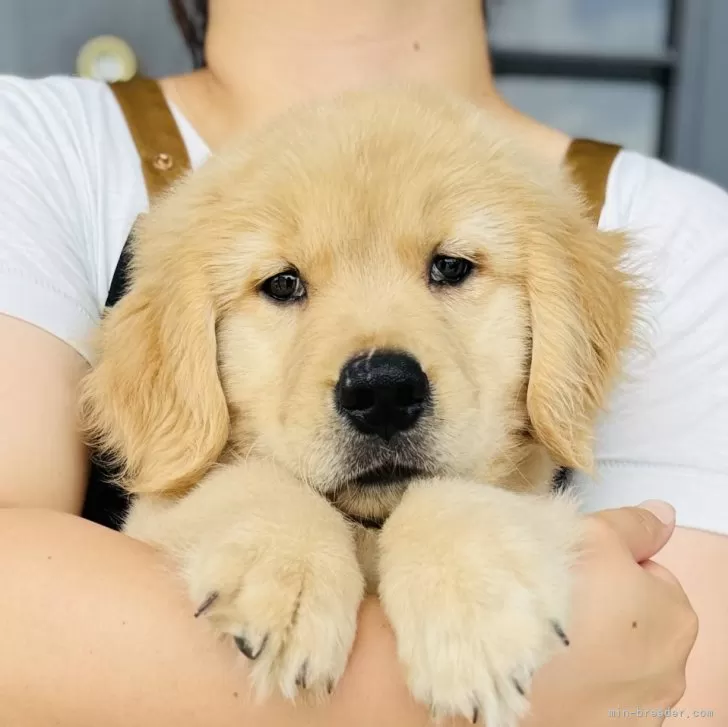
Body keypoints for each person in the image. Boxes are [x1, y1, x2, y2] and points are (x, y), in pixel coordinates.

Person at [0, 0, 724, 724]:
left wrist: (448, 533)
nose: (376, 374)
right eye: (282, 285)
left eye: (451, 267)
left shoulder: (689, 245)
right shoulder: (36, 146)